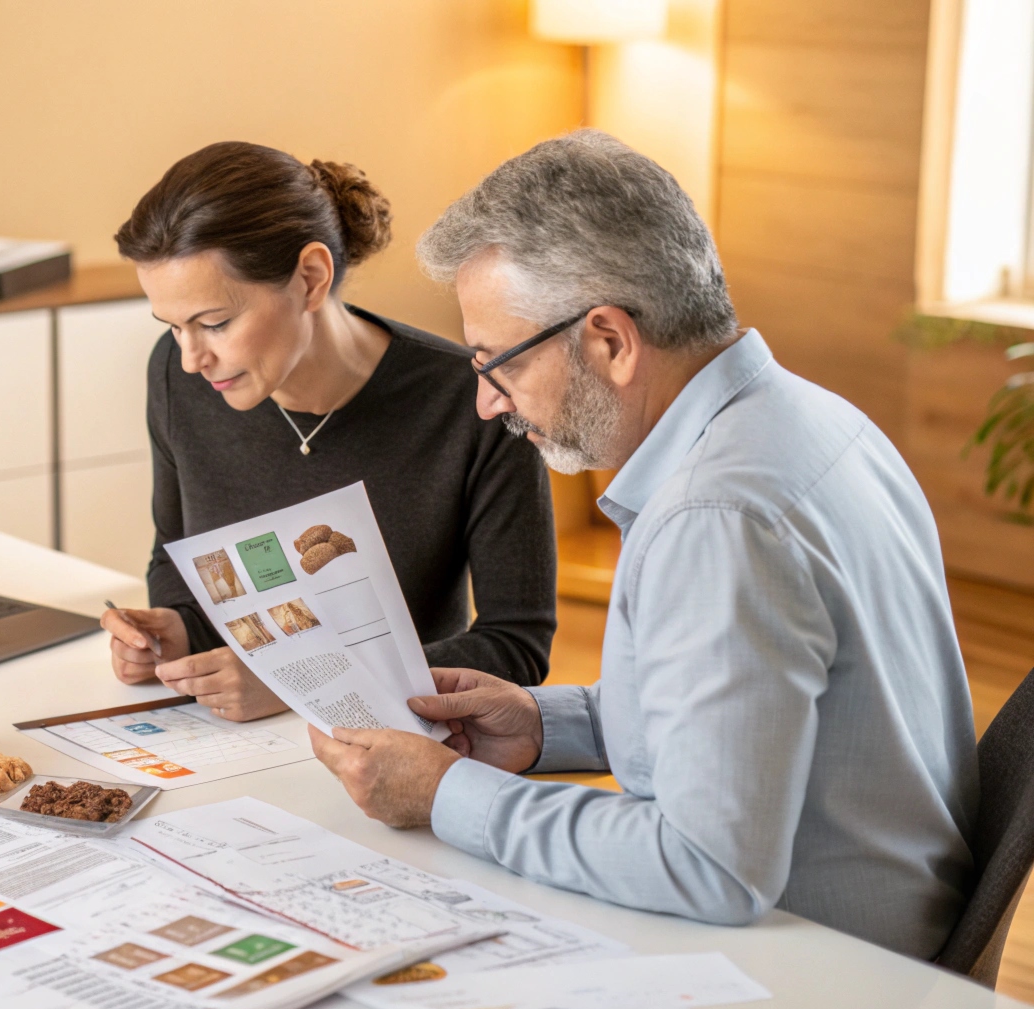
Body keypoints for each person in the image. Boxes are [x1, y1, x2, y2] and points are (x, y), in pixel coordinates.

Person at [309, 129, 979, 961]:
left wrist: (451, 794)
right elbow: (741, 715)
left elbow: (709, 868)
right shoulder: (809, 417)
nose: (487, 404)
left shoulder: (716, 517)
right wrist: (538, 724)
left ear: (610, 341)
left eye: (496, 364)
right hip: (880, 915)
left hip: (818, 965)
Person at [100, 141, 557, 721]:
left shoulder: (475, 402)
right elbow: (176, 557)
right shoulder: (177, 375)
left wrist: (304, 683)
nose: (191, 358)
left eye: (214, 323)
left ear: (311, 278)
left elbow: (516, 645)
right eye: (172, 327)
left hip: (406, 745)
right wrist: (176, 631)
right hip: (231, 745)